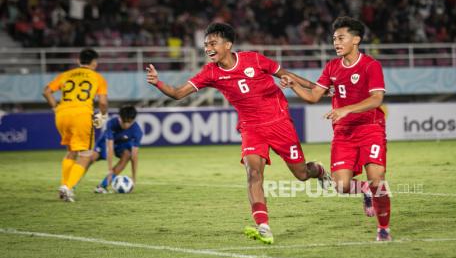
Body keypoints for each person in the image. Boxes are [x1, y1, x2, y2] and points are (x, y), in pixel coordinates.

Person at [146, 22, 332, 244]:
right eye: (205, 45)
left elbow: (286, 73)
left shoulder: (253, 59)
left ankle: (319, 171)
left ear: (228, 44)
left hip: (279, 122)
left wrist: (318, 89)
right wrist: (158, 83)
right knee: (253, 174)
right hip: (251, 128)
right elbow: (177, 94)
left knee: (302, 174)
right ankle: (263, 225)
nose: (208, 48)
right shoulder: (210, 73)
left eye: (213, 43)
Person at [281, 16, 392, 241]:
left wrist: (347, 109)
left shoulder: (371, 65)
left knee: (377, 178)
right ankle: (364, 190)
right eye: (334, 39)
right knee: (341, 186)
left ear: (356, 40)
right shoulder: (332, 66)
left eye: (341, 38)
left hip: (370, 127)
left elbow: (376, 99)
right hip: (343, 133)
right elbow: (313, 96)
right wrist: (293, 86)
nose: (336, 43)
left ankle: (383, 229)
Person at [43, 48, 108, 202]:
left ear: (79, 61)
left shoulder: (66, 75)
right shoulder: (97, 77)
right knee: (86, 155)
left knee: (71, 151)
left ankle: (64, 186)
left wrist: (55, 108)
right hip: (81, 115)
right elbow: (103, 102)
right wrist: (103, 115)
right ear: (94, 63)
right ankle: (68, 187)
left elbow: (46, 91)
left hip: (62, 114)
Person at [93, 105, 143, 193]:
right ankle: (71, 184)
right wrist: (109, 170)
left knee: (128, 154)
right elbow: (110, 149)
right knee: (92, 158)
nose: (126, 125)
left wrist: (134, 178)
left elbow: (134, 156)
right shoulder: (111, 124)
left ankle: (102, 186)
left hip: (121, 144)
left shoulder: (137, 131)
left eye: (129, 122)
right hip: (105, 143)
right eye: (124, 122)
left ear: (133, 120)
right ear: (119, 117)